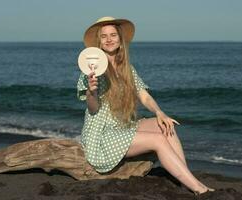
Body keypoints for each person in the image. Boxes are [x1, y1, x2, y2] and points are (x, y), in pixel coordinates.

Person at [77, 16, 214, 195]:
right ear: (99, 41)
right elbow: (93, 109)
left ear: (120, 39)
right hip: (101, 135)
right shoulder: (92, 71)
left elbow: (144, 96)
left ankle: (185, 181)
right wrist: (91, 92)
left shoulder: (127, 69)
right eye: (104, 36)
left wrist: (160, 112)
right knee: (158, 140)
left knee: (166, 126)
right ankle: (200, 189)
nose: (109, 39)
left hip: (122, 126)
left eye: (113, 35)